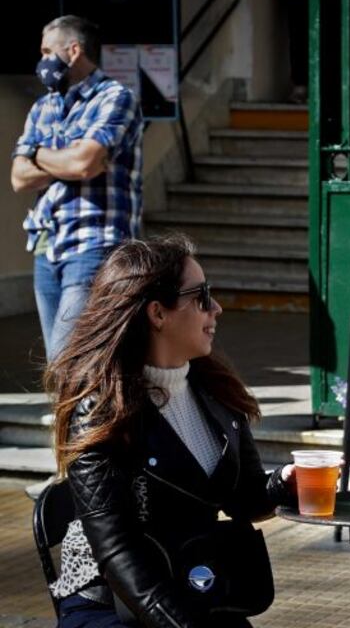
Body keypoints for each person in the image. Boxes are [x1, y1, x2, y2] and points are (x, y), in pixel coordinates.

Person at [44, 234, 296, 628]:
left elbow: (244, 498)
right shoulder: (100, 409)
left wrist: (285, 483)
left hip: (192, 582)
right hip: (111, 601)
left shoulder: (216, 390)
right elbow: (116, 551)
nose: (217, 308)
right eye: (202, 296)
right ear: (158, 314)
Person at [10, 15, 143, 361]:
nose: (41, 61)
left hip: (95, 240)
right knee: (62, 362)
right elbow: (18, 177)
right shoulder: (44, 107)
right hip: (46, 242)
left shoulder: (116, 98)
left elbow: (84, 163)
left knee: (68, 355)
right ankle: (73, 416)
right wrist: (65, 160)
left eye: (46, 51)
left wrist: (37, 152)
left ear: (73, 50)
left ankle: (85, 415)